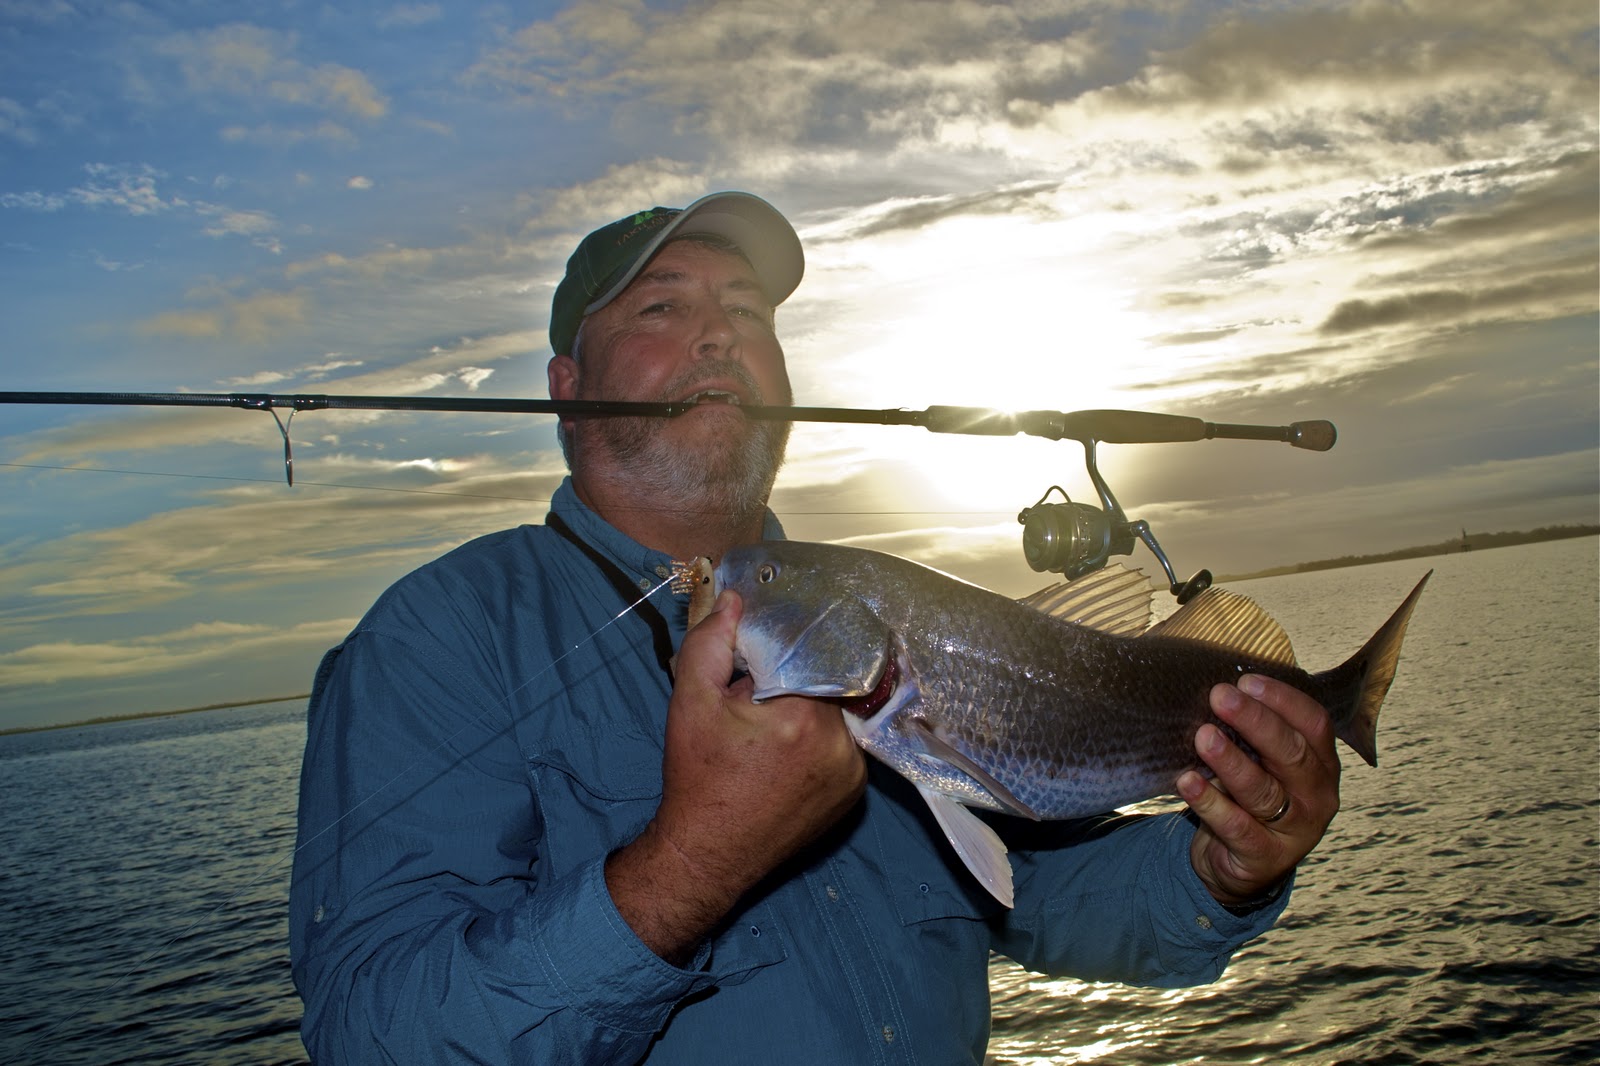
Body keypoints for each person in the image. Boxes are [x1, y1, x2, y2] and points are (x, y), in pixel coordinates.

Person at [289, 192, 1344, 1064]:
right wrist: (693, 858)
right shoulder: (438, 639)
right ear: (567, 389)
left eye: (748, 312)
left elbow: (1046, 897)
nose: (720, 332)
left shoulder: (872, 615)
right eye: (660, 308)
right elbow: (371, 1033)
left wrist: (1220, 870)